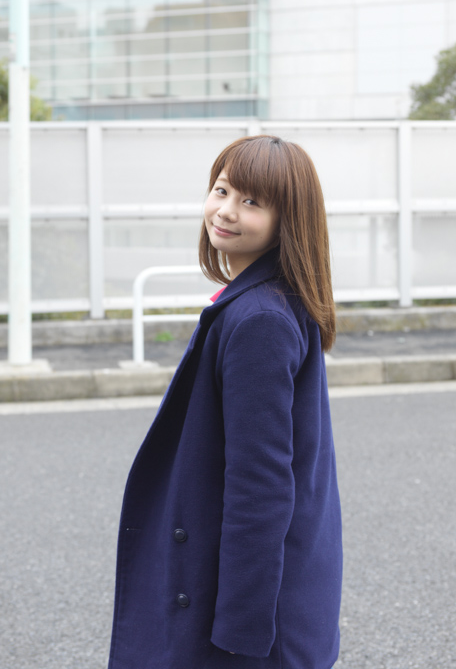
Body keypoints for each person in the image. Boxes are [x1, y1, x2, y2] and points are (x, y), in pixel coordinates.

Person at [107, 135, 342, 669]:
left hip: (248, 616)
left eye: (252, 201)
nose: (227, 211)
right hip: (271, 590)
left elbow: (260, 484)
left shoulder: (260, 319)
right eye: (222, 190)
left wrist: (240, 629)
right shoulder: (266, 300)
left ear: (288, 220)